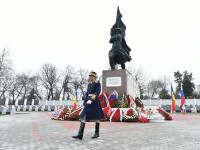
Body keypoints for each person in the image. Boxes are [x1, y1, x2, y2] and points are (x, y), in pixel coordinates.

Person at [72, 71, 104, 140]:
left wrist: (92, 99)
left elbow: (97, 92)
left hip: (94, 102)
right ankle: (80, 134)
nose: (90, 77)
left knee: (96, 117)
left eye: (91, 76)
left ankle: (96, 133)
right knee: (83, 116)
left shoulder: (97, 83)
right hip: (88, 102)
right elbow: (87, 94)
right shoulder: (89, 84)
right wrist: (85, 102)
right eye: (89, 76)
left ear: (94, 77)